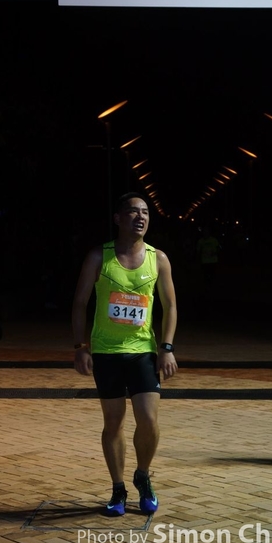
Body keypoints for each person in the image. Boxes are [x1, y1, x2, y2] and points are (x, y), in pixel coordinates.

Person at [72, 191, 178, 517]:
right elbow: (79, 303)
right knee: (113, 423)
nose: (140, 217)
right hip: (106, 353)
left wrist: (166, 348)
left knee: (148, 420)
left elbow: (170, 306)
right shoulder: (98, 257)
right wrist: (80, 347)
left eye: (145, 212)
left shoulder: (158, 258)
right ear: (118, 218)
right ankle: (118, 488)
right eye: (133, 212)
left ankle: (142, 476)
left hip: (143, 352)